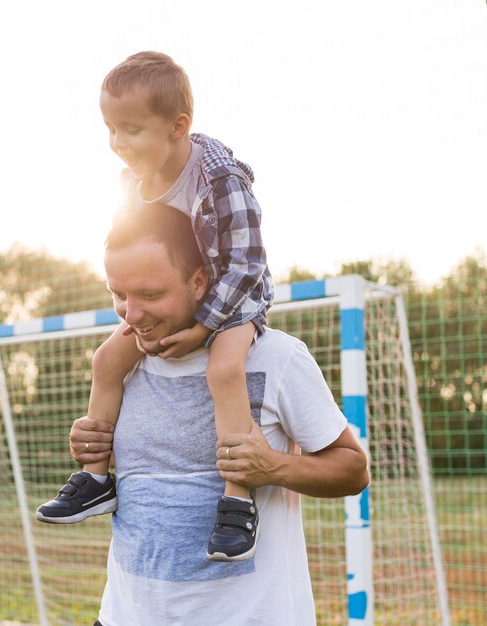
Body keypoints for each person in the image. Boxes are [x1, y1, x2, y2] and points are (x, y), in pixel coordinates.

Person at [69, 203, 369, 626]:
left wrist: (274, 467)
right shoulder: (121, 364)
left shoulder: (276, 356)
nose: (131, 315)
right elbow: (156, 470)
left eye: (150, 294)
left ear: (199, 281)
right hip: (123, 616)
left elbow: (353, 470)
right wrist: (95, 445)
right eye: (119, 294)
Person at [37, 51, 275, 562]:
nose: (118, 144)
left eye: (131, 130)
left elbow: (248, 263)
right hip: (174, 304)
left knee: (226, 369)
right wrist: (134, 305)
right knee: (106, 360)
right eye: (110, 130)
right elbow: (132, 256)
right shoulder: (132, 182)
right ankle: (96, 477)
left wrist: (204, 324)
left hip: (233, 302)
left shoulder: (220, 177)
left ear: (177, 126)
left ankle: (237, 498)